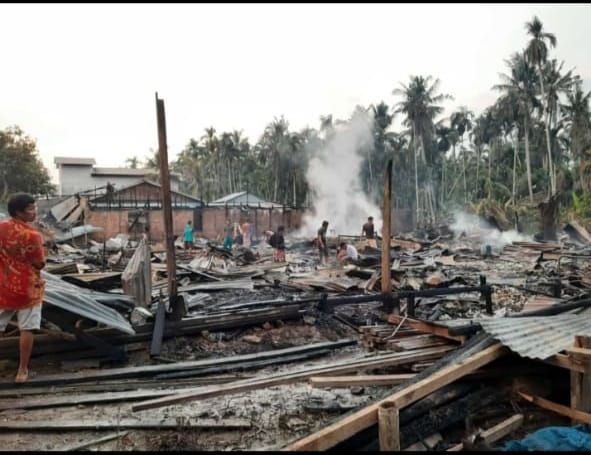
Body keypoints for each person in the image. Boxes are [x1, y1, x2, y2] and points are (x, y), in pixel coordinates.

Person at [0, 194, 46, 383]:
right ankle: (22, 371)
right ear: (19, 212)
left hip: (3, 285)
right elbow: (40, 263)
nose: (34, 212)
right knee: (27, 328)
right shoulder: (32, 235)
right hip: (27, 289)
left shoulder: (1, 228)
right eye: (30, 209)